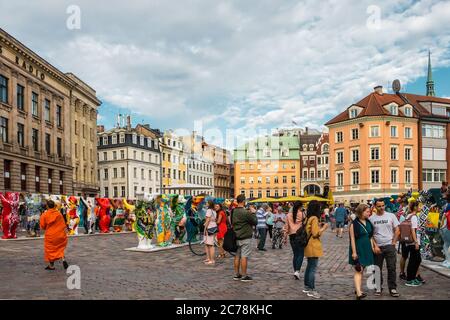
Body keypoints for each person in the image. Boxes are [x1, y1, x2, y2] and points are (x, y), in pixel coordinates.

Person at [370, 198, 400, 297]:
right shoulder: (371, 219)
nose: (382, 207)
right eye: (379, 206)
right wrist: (375, 245)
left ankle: (393, 288)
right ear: (375, 207)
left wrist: (394, 242)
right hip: (378, 247)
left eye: (383, 205)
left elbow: (397, 230)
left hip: (389, 245)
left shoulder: (391, 216)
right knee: (377, 268)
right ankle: (378, 288)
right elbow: (370, 235)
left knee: (391, 268)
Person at [349, 204, 375, 299]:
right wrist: (354, 252)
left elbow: (370, 236)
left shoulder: (368, 222)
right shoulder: (354, 224)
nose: (369, 213)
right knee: (358, 270)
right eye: (367, 211)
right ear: (361, 212)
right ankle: (359, 293)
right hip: (358, 248)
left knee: (362, 269)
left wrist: (373, 247)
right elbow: (352, 239)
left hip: (367, 248)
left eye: (369, 211)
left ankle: (358, 288)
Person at [303, 200, 328, 299]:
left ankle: (306, 287)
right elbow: (315, 233)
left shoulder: (308, 218)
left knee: (309, 267)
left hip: (308, 245)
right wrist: (324, 228)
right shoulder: (314, 218)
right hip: (313, 246)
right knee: (312, 268)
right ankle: (311, 290)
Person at [232, 194, 257, 282]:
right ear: (243, 201)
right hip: (245, 236)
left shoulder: (233, 211)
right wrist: (253, 212)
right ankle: (244, 275)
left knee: (237, 256)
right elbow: (255, 222)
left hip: (236, 236)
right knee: (244, 256)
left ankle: (236, 274)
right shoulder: (245, 212)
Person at [39, 200, 69, 270]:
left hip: (51, 235)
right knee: (59, 248)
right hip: (60, 235)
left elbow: (43, 226)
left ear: (47, 206)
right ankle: (63, 258)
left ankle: (51, 266)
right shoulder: (59, 214)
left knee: (50, 250)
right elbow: (63, 224)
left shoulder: (45, 215)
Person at [400, 201, 423, 287]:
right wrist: (416, 242)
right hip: (413, 242)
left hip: (410, 242)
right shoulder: (413, 217)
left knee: (416, 259)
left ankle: (412, 278)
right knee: (414, 260)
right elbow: (413, 230)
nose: (421, 207)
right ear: (415, 207)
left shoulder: (409, 215)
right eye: (419, 206)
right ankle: (410, 280)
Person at [284, 201, 305, 280]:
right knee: (301, 254)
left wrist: (285, 236)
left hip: (292, 235)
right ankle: (297, 271)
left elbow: (286, 226)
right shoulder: (302, 214)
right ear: (300, 206)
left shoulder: (288, 215)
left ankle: (295, 271)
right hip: (300, 235)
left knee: (295, 254)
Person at [203, 200, 217, 265]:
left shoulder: (209, 210)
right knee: (207, 244)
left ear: (209, 204)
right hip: (213, 227)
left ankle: (212, 260)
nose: (206, 204)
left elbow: (208, 220)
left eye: (206, 203)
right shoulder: (214, 211)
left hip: (209, 228)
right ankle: (209, 258)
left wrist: (205, 229)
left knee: (211, 245)